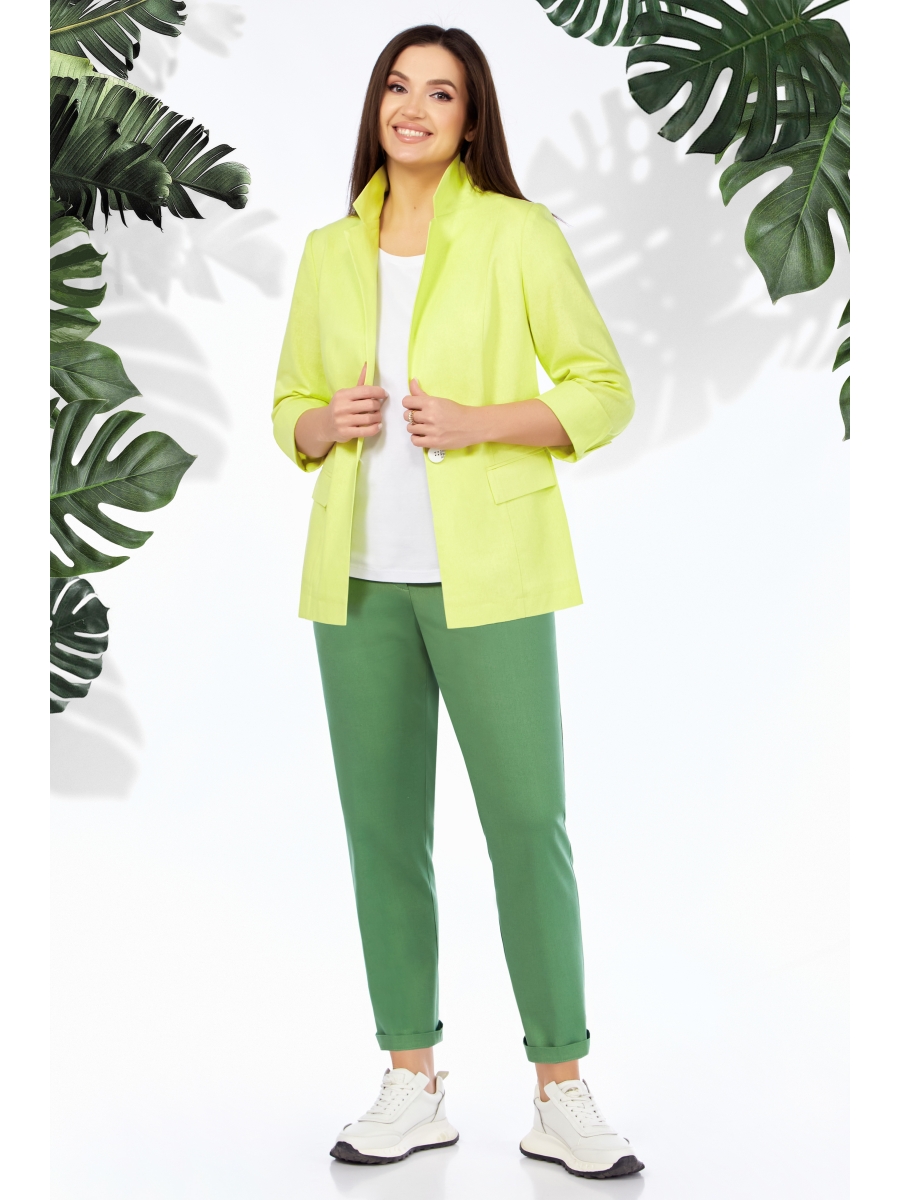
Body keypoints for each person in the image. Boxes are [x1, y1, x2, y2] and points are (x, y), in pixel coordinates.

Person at [272, 24, 641, 1180]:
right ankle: (412, 1080)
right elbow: (288, 407)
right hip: (356, 582)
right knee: (385, 835)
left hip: (492, 576)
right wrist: (320, 424)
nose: (413, 107)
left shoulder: (519, 234)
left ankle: (561, 1090)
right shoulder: (330, 250)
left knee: (528, 827)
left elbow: (604, 390)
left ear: (471, 119)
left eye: (441, 93)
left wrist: (482, 423)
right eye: (399, 86)